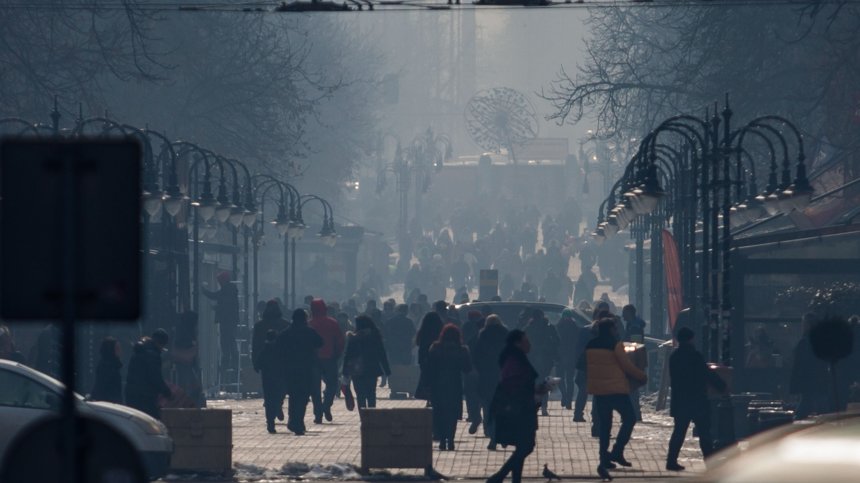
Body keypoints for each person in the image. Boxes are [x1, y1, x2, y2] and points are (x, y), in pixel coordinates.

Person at [585, 318, 647, 480]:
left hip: (599, 390)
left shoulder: (590, 345)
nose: (617, 330)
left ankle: (603, 458)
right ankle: (617, 451)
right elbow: (627, 366)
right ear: (611, 329)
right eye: (614, 328)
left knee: (605, 425)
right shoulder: (615, 345)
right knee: (630, 419)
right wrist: (641, 376)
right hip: (616, 389)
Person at [487, 330, 548, 483]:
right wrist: (533, 391)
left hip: (522, 407)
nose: (529, 344)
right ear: (517, 343)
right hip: (519, 409)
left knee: (523, 446)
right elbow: (513, 384)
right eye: (526, 341)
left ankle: (514, 479)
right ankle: (499, 476)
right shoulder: (514, 360)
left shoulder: (517, 357)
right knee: (526, 446)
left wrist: (538, 389)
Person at [666, 327, 727, 471]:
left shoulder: (674, 356)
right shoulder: (695, 356)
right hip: (697, 399)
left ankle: (671, 460)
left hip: (680, 400)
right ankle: (710, 462)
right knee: (705, 432)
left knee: (679, 432)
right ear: (690, 339)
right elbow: (706, 374)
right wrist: (722, 386)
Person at [426, 324, 472, 450]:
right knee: (452, 414)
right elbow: (467, 368)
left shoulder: (435, 348)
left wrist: (427, 385)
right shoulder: (461, 350)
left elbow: (429, 368)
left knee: (439, 412)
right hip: (455, 385)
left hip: (437, 385)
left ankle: (441, 440)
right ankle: (450, 439)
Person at [279, 309, 323, 435]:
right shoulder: (309, 331)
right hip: (306, 368)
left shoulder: (287, 332)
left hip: (290, 369)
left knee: (293, 396)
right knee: (303, 397)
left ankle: (293, 420)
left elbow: (279, 346)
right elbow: (320, 342)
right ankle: (298, 421)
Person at [473, 314, 509, 450]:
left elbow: (476, 355)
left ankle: (492, 436)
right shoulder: (506, 334)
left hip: (487, 376)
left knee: (488, 408)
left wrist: (479, 370)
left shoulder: (483, 335)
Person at [342, 315, 391, 408]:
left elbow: (347, 356)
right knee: (371, 393)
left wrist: (345, 371)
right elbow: (382, 354)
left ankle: (364, 417)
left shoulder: (353, 338)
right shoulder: (375, 336)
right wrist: (386, 369)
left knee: (360, 395)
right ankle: (372, 415)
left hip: (356, 370)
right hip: (371, 369)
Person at [309, 299, 345, 424]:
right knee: (332, 385)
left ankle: (318, 413)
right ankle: (326, 405)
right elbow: (340, 341)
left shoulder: (310, 324)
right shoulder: (332, 323)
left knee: (315, 388)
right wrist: (337, 354)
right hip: (330, 358)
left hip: (313, 360)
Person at [790, 313, 831, 418]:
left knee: (805, 406)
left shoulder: (804, 342)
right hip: (819, 380)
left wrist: (795, 383)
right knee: (821, 406)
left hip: (808, 380)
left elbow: (799, 364)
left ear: (807, 325)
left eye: (804, 323)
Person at [125, 329, 172, 419]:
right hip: (145, 398)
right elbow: (155, 378)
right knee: (153, 422)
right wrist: (167, 392)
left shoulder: (139, 351)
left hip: (131, 395)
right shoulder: (153, 355)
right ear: (161, 344)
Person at [202, 271, 240, 380]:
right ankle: (232, 364)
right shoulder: (230, 290)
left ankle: (226, 363)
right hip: (231, 321)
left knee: (226, 343)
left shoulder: (226, 290)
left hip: (227, 321)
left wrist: (204, 291)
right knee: (231, 342)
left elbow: (216, 296)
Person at [523, 309, 559, 416]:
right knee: (544, 382)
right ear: (543, 316)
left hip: (531, 359)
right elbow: (557, 341)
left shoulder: (528, 328)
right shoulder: (549, 327)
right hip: (546, 359)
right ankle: (544, 407)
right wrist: (552, 351)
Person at [173, 311, 205, 408]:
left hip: (188, 365)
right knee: (189, 388)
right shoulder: (184, 335)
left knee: (192, 387)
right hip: (185, 366)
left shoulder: (185, 333)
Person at [253, 300, 289, 374]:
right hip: (282, 361)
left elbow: (255, 345)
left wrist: (255, 362)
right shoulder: (286, 325)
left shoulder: (259, 326)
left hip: (266, 361)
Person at [415, 312, 444, 401]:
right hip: (438, 359)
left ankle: (428, 397)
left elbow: (418, 344)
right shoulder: (441, 332)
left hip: (424, 359)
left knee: (426, 379)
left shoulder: (423, 331)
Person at [259, 329, 284, 433]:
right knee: (279, 396)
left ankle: (270, 422)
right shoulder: (280, 350)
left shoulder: (265, 350)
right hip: (279, 377)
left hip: (267, 379)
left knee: (269, 400)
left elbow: (257, 364)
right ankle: (278, 407)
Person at [555, 309, 579, 410]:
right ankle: (568, 400)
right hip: (571, 356)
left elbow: (555, 342)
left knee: (560, 378)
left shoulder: (558, 326)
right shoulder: (575, 327)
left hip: (561, 356)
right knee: (569, 380)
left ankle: (565, 396)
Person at [90, 336, 123, 404]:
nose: (120, 351)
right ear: (110, 350)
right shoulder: (107, 367)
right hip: (108, 405)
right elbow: (102, 388)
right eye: (117, 348)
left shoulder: (113, 365)